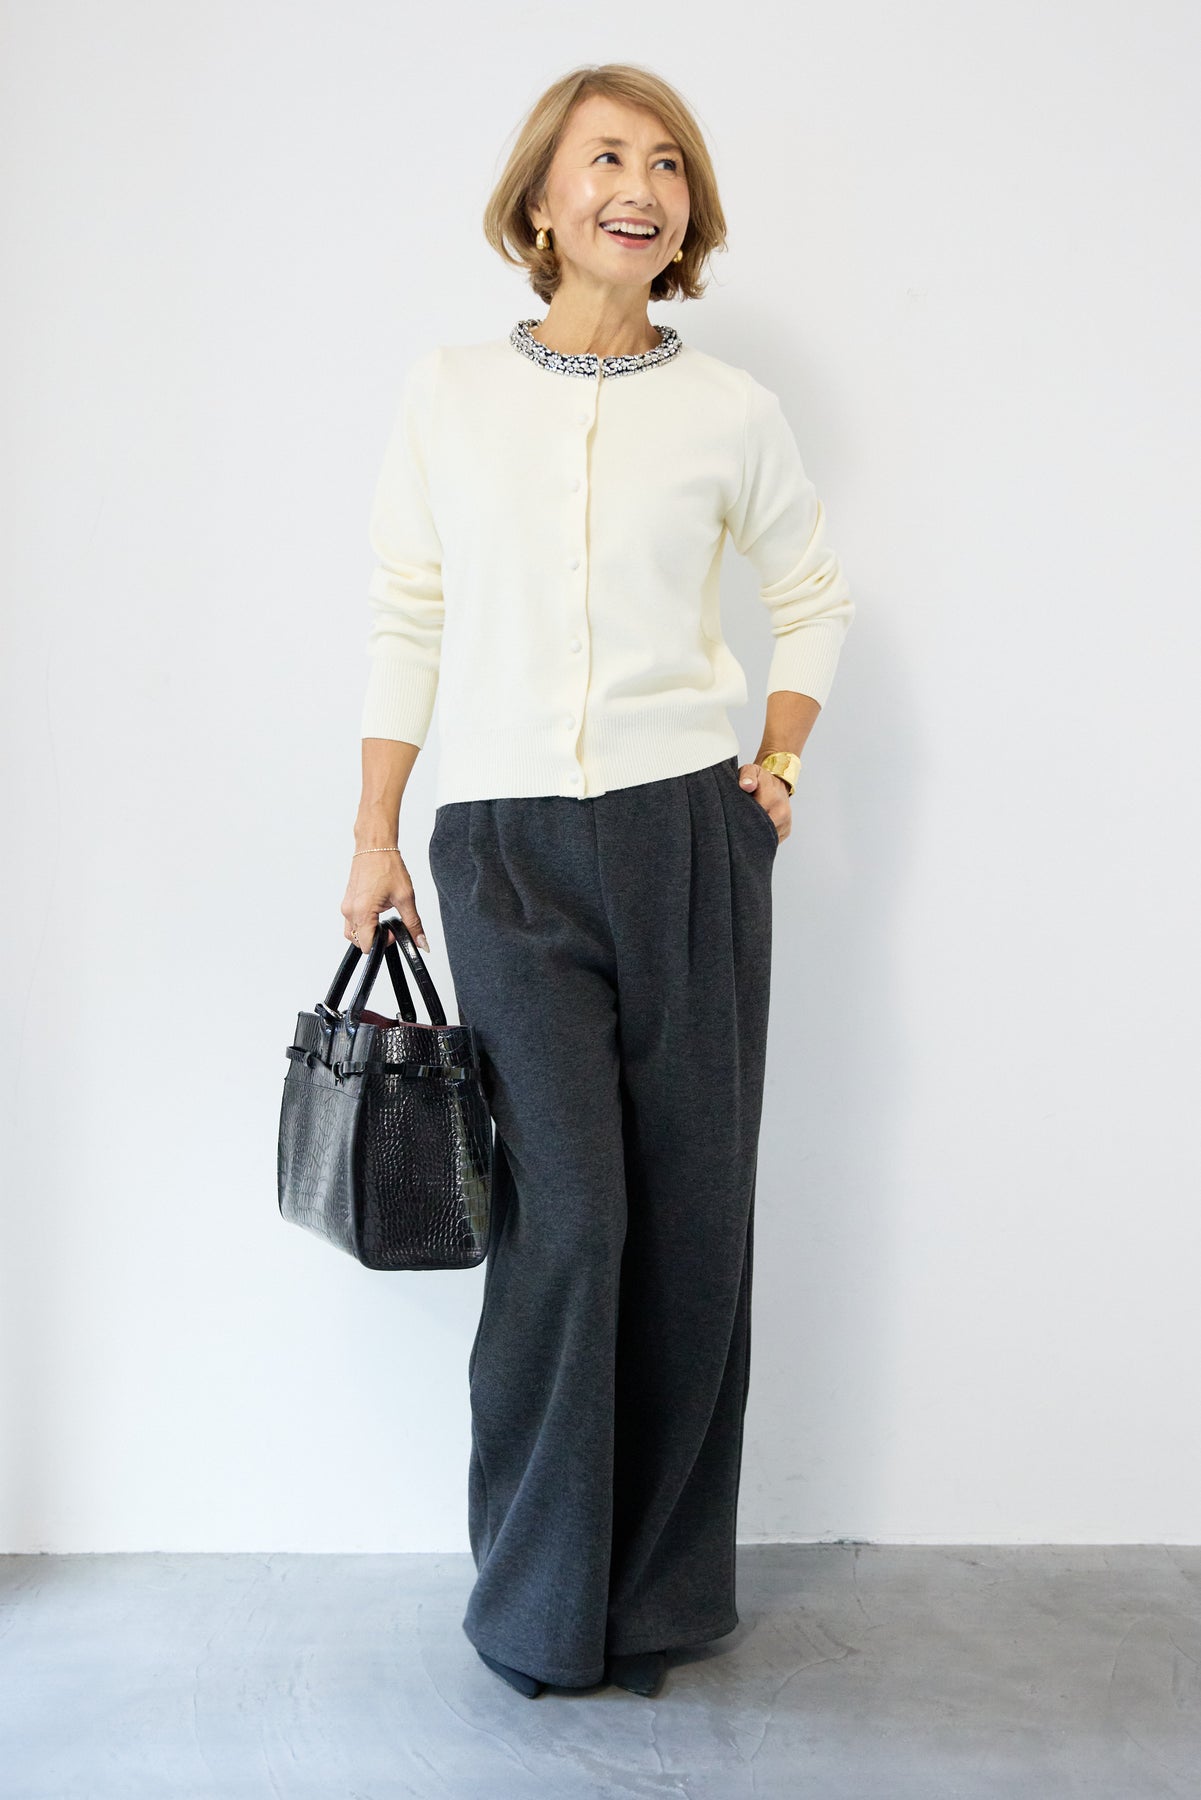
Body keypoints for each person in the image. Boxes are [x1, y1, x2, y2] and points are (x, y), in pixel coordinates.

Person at [341, 63, 855, 1700]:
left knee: (691, 1225)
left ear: (685, 214)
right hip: (502, 846)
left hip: (687, 836)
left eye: (668, 165)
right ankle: (534, 1606)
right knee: (567, 1222)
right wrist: (373, 832)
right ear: (542, 201)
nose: (641, 186)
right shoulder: (446, 393)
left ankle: (653, 1606)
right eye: (607, 158)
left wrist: (775, 768)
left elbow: (812, 592)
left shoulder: (730, 411)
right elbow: (408, 612)